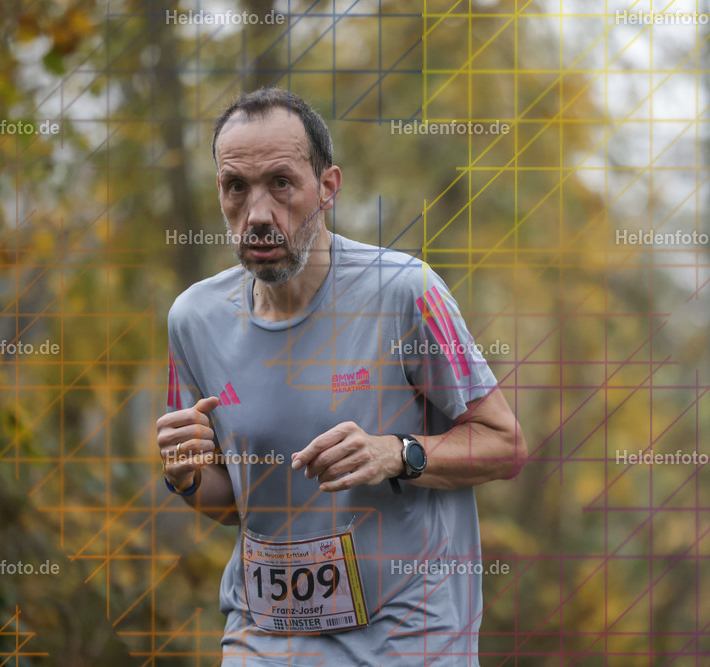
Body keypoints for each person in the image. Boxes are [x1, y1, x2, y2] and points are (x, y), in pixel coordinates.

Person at [155, 87, 527, 666]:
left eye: (281, 183)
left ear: (327, 188)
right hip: (264, 637)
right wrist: (186, 478)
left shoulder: (406, 292)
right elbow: (241, 505)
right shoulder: (193, 320)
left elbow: (504, 445)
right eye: (236, 187)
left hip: (408, 638)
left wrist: (396, 453)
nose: (257, 214)